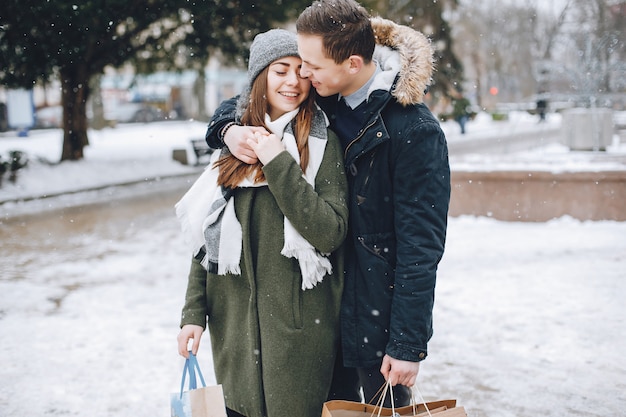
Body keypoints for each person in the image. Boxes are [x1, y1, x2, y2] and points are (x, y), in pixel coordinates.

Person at [205, 0, 451, 407]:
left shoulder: (415, 131)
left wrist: (408, 343)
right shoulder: (321, 99)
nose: (301, 74)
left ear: (352, 63)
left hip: (372, 315)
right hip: (317, 311)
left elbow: (421, 247)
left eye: (310, 66)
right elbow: (249, 98)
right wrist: (228, 130)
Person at [175, 29, 349, 417]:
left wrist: (279, 163)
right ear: (260, 79)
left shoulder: (322, 144)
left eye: (301, 72)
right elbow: (206, 240)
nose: (293, 81)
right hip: (233, 333)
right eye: (280, 71)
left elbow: (329, 232)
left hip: (300, 339)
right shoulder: (234, 147)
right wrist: (192, 315)